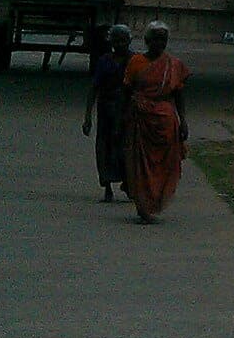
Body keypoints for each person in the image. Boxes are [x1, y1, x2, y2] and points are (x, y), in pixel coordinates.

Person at [121, 22, 190, 224]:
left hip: (165, 121)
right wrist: (124, 117)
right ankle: (142, 207)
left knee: (164, 164)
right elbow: (126, 91)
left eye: (163, 39)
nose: (160, 43)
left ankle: (155, 201)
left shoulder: (174, 65)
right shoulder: (136, 62)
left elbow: (178, 93)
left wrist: (183, 121)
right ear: (147, 40)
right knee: (139, 164)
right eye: (156, 39)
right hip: (140, 119)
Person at [81, 23, 132, 203]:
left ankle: (128, 183)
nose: (119, 44)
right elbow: (94, 88)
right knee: (104, 148)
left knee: (126, 148)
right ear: (111, 42)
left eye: (123, 41)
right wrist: (88, 117)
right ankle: (107, 186)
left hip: (127, 111)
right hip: (106, 111)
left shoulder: (135, 61)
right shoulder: (104, 61)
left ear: (129, 41)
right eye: (116, 41)